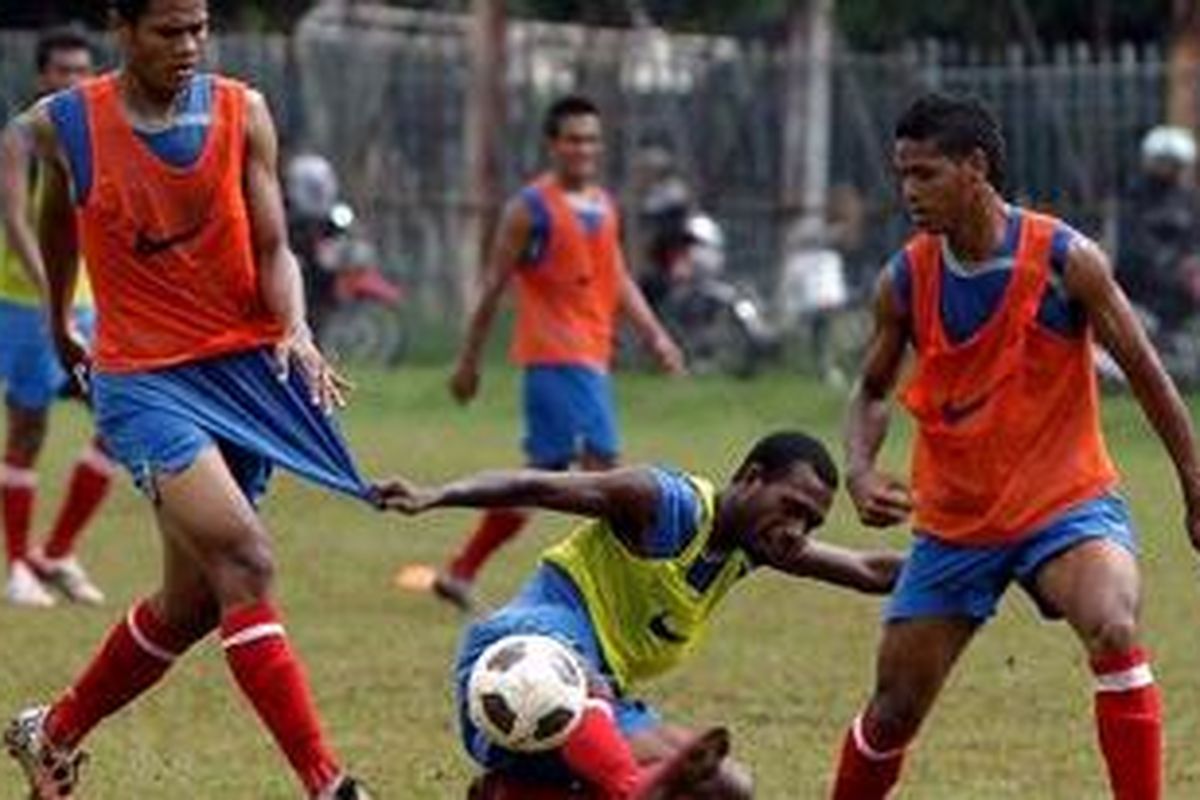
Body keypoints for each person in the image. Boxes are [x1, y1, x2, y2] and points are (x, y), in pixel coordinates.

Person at [3, 1, 378, 797]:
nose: (189, 46)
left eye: (199, 28)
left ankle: (54, 733)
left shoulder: (245, 112)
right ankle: (327, 783)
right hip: (142, 382)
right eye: (169, 30)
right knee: (246, 560)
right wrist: (59, 317)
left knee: (192, 605)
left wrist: (297, 327)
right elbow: (51, 206)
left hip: (242, 376)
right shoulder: (63, 123)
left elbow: (275, 247)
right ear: (124, 29)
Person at [829, 93, 1200, 800]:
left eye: (925, 173)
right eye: (902, 174)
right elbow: (872, 391)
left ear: (976, 167)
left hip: (1066, 503)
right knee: (893, 711)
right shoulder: (905, 280)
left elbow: (1149, 375)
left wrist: (1193, 481)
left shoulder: (1067, 261)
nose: (909, 191)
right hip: (957, 521)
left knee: (1114, 627)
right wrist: (859, 467)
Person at [378, 431, 903, 799]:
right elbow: (535, 485)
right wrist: (435, 494)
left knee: (726, 787)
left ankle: (514, 791)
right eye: (790, 506)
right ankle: (624, 788)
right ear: (750, 477)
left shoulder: (757, 546)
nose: (796, 531)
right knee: (582, 685)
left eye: (809, 523)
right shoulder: (658, 501)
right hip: (522, 659)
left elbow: (870, 570)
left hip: (600, 707)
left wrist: (977, 556)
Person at [421, 95, 685, 610]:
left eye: (591, 139)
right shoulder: (529, 209)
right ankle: (619, 591)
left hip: (591, 357)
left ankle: (462, 570)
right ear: (552, 144)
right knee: (607, 471)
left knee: (548, 474)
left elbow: (619, 278)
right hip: (554, 359)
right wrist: (469, 360)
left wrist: (656, 335)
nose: (583, 148)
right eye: (573, 139)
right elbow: (494, 286)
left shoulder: (605, 205)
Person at [0, 27, 112, 608]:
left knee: (118, 421)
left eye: (82, 71)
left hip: (92, 306)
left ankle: (59, 551)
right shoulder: (22, 134)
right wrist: (51, 290)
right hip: (25, 304)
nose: (72, 81)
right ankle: (17, 565)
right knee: (28, 428)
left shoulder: (101, 136)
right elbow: (16, 218)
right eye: (61, 71)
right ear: (42, 75)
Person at [1116, 125, 1200, 334]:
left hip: (1180, 286)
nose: (1169, 168)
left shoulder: (1189, 198)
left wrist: (1190, 263)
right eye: (1164, 161)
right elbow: (1130, 245)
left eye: (1175, 164)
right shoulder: (1134, 197)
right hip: (1140, 285)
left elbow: (1193, 238)